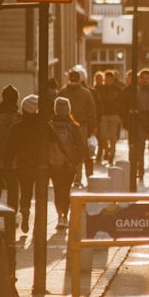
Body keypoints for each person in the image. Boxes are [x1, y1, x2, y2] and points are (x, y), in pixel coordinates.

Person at [5, 95, 50, 234]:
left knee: (26, 192)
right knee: (41, 194)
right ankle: (39, 222)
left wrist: (7, 167)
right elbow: (57, 141)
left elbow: (9, 149)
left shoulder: (17, 127)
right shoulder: (43, 126)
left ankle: (25, 213)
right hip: (41, 165)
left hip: (23, 164)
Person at [49, 96, 87, 230]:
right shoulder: (74, 127)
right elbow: (82, 147)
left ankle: (60, 216)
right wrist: (76, 161)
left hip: (54, 163)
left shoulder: (50, 126)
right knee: (66, 190)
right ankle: (65, 215)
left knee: (57, 190)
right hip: (69, 163)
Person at [58, 69, 97, 187]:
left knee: (65, 149)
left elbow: (55, 108)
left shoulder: (62, 92)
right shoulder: (86, 93)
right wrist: (92, 128)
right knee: (80, 150)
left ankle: (67, 175)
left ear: (69, 79)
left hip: (64, 125)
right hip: (81, 126)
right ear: (79, 79)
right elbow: (92, 111)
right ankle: (78, 177)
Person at [96, 70, 123, 166]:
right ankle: (106, 150)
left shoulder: (118, 89)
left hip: (114, 115)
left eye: (110, 79)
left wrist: (120, 115)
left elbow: (121, 103)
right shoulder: (99, 89)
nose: (108, 80)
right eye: (107, 79)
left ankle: (111, 155)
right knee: (103, 136)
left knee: (113, 137)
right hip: (103, 115)